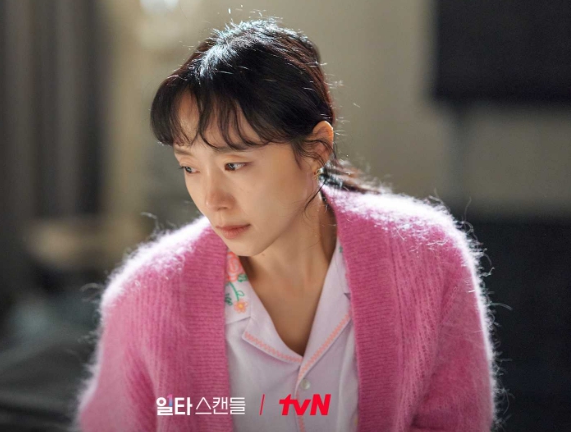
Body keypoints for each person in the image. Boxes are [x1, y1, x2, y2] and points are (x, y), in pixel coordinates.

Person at [72, 18, 503, 432]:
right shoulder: (146, 295)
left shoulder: (427, 259)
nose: (212, 199)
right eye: (190, 168)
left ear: (316, 149)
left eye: (235, 164)